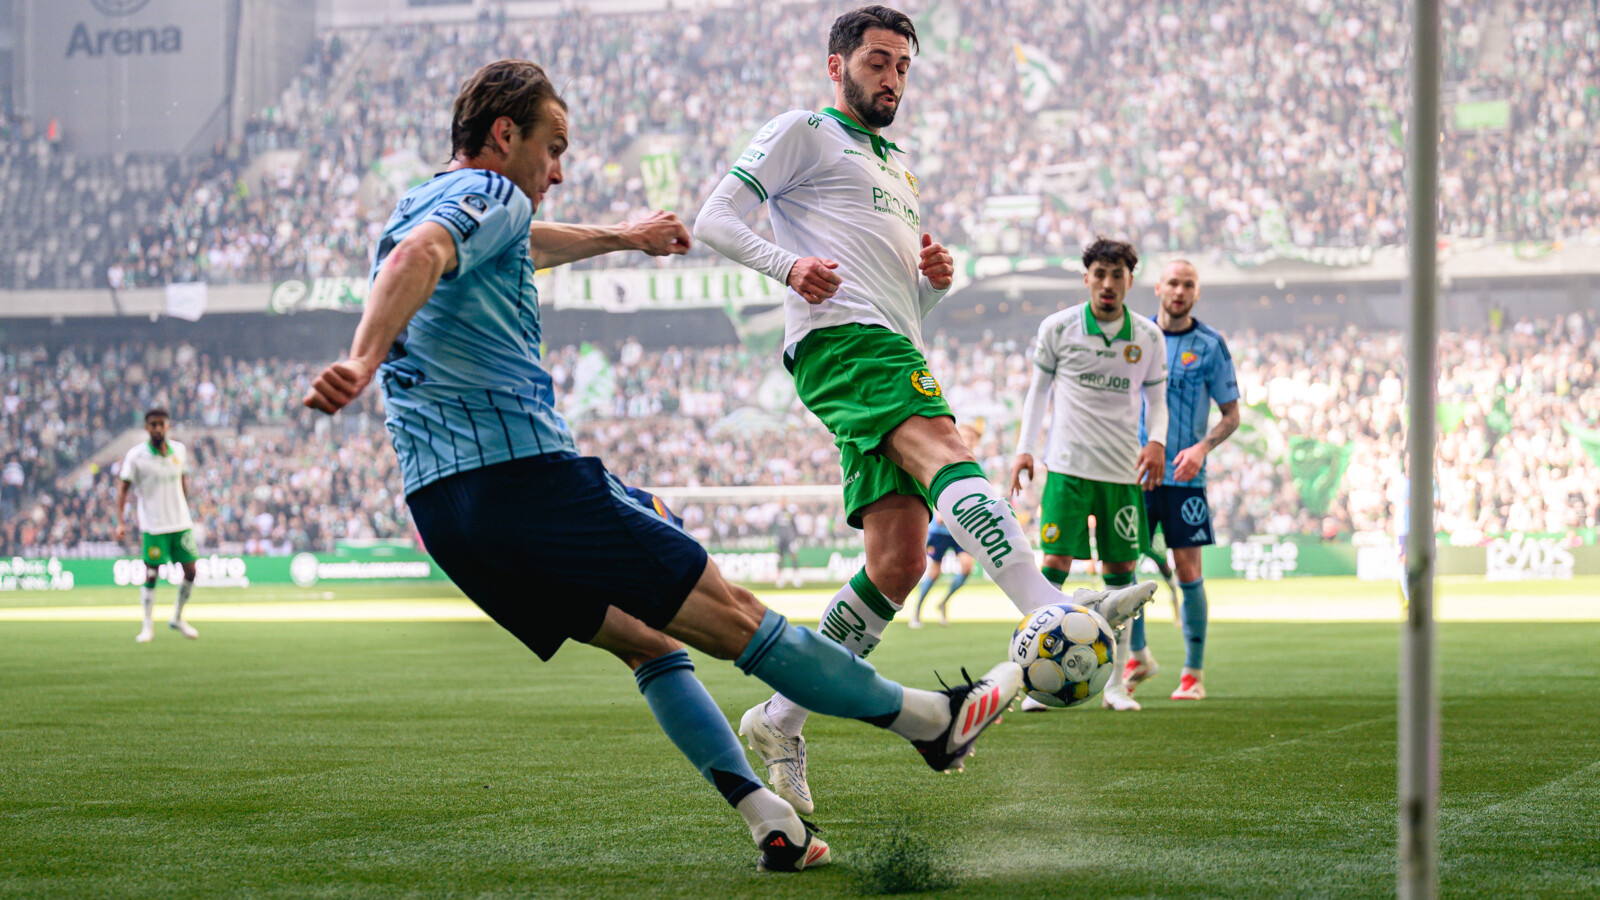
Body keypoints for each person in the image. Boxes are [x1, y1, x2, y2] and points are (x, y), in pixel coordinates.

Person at [302, 58, 1021, 873]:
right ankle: (932, 722)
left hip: (443, 511)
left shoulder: (420, 204)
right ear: (505, 136)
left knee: (647, 644)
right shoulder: (492, 194)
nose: (559, 171)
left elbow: (497, 246)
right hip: (525, 479)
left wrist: (622, 237)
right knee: (734, 615)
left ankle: (767, 818)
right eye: (553, 148)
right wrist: (360, 361)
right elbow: (422, 260)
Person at [695, 6, 1154, 813]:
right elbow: (715, 216)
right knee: (947, 448)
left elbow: (901, 306)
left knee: (898, 565)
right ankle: (1052, 611)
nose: (892, 78)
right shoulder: (805, 129)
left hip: (885, 340)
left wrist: (931, 285)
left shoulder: (896, 166)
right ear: (837, 65)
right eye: (877, 61)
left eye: (903, 66)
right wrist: (787, 264)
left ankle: (780, 717)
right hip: (846, 343)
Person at [1009, 238, 1170, 712]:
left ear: (1129, 281)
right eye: (1099, 274)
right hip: (1067, 469)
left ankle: (1117, 685)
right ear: (1086, 279)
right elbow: (1037, 394)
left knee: (1123, 582)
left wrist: (1157, 441)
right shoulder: (1057, 328)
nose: (1107, 284)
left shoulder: (1148, 337)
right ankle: (1039, 684)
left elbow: (1157, 402)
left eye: (1117, 275)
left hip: (1122, 472)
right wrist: (1024, 450)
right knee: (1052, 574)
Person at [1126, 260, 1239, 702]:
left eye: (1188, 284)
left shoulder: (1211, 345)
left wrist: (1200, 449)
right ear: (1157, 287)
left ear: (1196, 293)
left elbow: (1232, 415)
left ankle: (1193, 672)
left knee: (1189, 571)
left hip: (1185, 478)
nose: (1179, 290)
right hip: (1134, 474)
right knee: (1124, 569)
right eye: (1173, 282)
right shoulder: (1133, 337)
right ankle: (1137, 656)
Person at [114, 408, 200, 642]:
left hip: (180, 522)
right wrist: (120, 522)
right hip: (153, 525)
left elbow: (182, 480)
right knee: (152, 574)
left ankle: (177, 617)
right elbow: (123, 489)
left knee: (191, 570)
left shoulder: (179, 451)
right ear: (146, 428)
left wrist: (186, 507)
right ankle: (147, 624)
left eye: (161, 424)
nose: (158, 428)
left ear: (167, 426)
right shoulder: (136, 456)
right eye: (153, 424)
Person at [909, 423, 982, 628]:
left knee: (967, 567)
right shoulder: (944, 456)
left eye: (972, 437)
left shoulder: (977, 464)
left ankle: (943, 603)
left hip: (962, 527)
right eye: (965, 436)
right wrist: (939, 510)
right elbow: (929, 482)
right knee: (934, 572)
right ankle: (917, 611)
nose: (967, 440)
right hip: (941, 530)